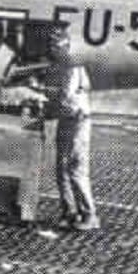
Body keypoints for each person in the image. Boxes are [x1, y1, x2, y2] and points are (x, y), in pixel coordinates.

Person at [46, 28, 99, 232]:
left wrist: (44, 97)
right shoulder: (65, 64)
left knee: (76, 170)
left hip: (77, 119)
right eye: (52, 45)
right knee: (61, 168)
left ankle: (89, 214)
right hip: (67, 119)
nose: (54, 49)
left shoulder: (71, 65)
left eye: (57, 45)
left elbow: (66, 96)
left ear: (66, 45)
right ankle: (69, 212)